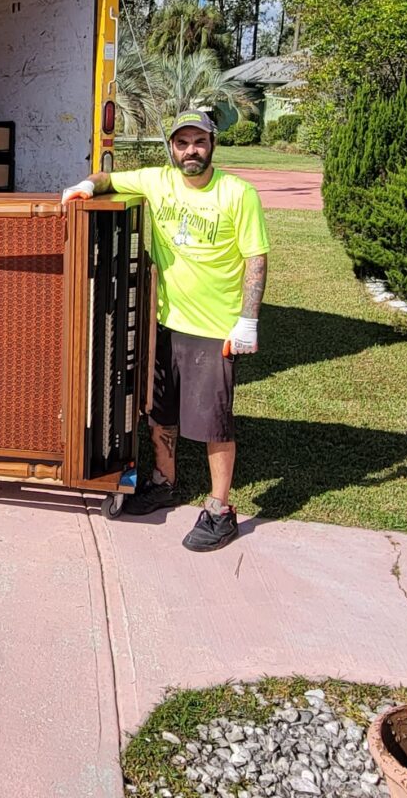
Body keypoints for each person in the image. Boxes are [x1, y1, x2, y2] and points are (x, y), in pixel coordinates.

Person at [62, 110, 269, 552]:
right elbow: (107, 179)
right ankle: (164, 482)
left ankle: (220, 509)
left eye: (198, 142)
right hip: (166, 323)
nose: (190, 151)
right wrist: (85, 186)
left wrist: (247, 319)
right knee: (161, 411)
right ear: (170, 148)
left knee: (214, 422)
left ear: (212, 144)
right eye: (181, 143)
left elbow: (255, 258)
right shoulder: (157, 181)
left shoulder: (238, 193)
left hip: (215, 328)